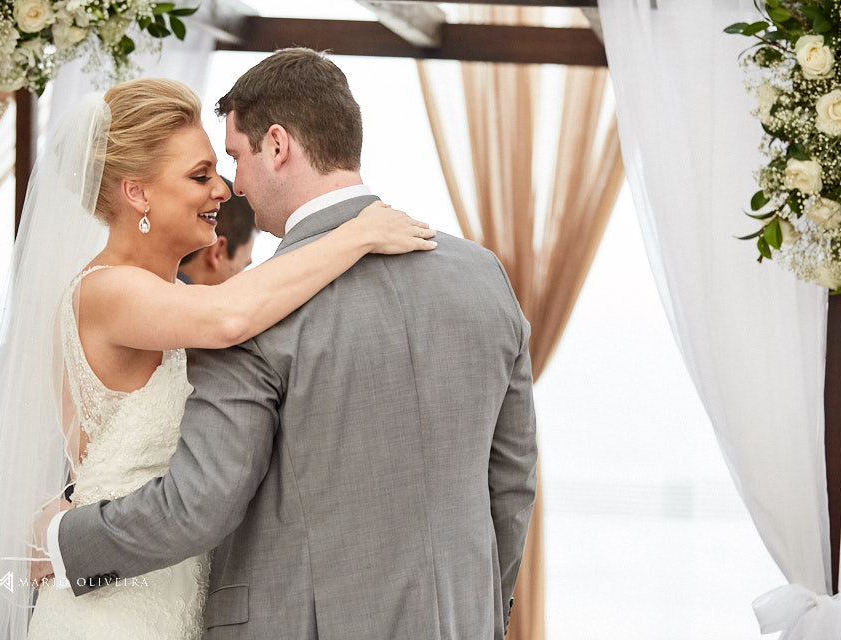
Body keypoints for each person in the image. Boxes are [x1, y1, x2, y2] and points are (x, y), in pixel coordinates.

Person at [39, 48, 537, 639]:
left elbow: (201, 504)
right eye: (206, 173)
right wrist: (484, 605)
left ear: (277, 146)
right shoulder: (484, 276)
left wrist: (64, 543)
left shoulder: (257, 311)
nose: (231, 186)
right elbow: (511, 482)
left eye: (234, 159)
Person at [0, 76, 435, 640]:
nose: (223, 190)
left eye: (218, 169)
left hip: (172, 595)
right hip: (113, 611)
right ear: (137, 193)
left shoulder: (170, 297)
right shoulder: (106, 291)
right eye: (200, 176)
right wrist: (354, 235)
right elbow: (230, 318)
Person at [0, 182, 256, 482]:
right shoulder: (119, 301)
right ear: (218, 251)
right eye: (242, 267)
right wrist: (82, 496)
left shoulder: (86, 296)